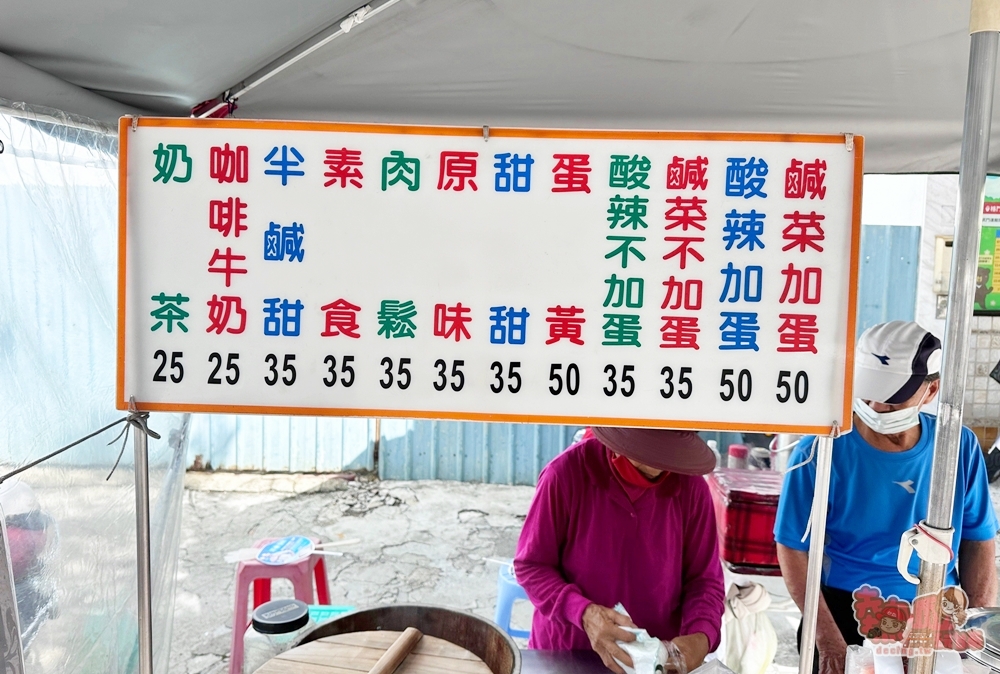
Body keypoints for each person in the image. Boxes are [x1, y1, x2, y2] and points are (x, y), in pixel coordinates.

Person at [774, 321, 999, 674]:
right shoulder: (821, 449)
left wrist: (974, 629)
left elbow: (979, 540)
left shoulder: (958, 446)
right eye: (867, 392)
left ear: (931, 390)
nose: (877, 406)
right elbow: (791, 546)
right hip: (843, 611)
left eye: (893, 397)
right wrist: (828, 641)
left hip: (936, 610)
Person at [514, 426, 725, 674]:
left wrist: (700, 638)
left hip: (655, 663)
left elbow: (704, 581)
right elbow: (531, 566)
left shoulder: (692, 489)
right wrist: (583, 613)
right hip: (568, 654)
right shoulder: (564, 474)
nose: (658, 462)